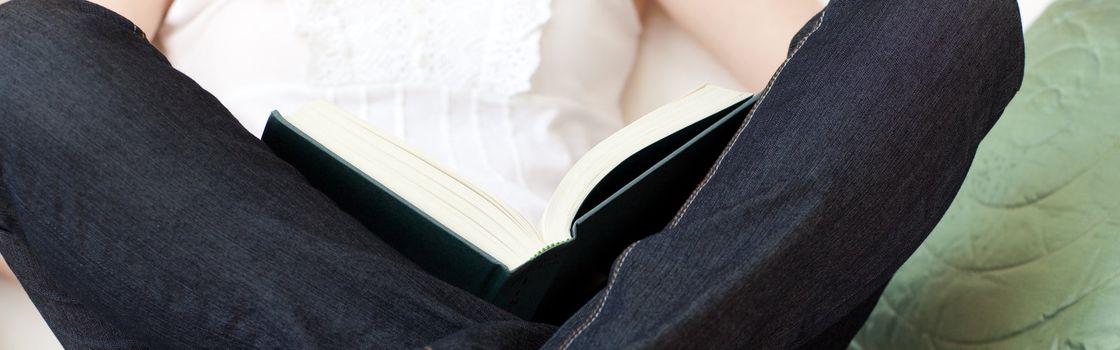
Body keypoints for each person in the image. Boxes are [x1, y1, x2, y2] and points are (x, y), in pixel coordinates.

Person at [0, 0, 1024, 348]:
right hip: (262, 307)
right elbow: (62, 128)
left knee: (940, 16)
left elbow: (832, 81)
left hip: (643, 300)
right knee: (17, 49)